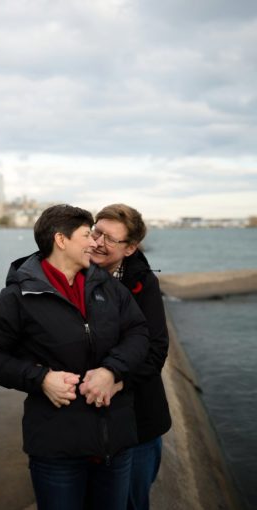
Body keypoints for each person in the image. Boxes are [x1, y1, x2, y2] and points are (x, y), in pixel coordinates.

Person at [0, 204, 149, 510]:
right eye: (86, 234)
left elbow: (138, 333)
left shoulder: (108, 286)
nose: (94, 242)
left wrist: (112, 371)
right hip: (56, 451)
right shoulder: (19, 296)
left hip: (115, 445)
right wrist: (41, 379)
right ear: (61, 240)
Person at [89, 204, 171, 510]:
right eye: (96, 231)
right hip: (87, 419)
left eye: (110, 238)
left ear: (130, 248)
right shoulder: (73, 274)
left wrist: (117, 381)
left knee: (134, 502)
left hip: (140, 421)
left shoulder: (143, 284)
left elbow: (156, 350)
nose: (98, 242)